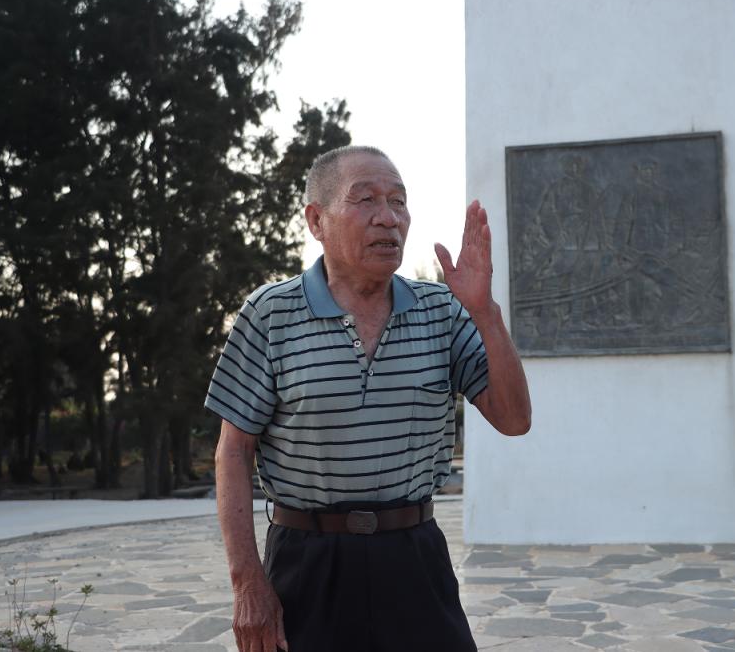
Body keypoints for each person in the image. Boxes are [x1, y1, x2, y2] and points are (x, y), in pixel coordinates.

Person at [204, 145, 531, 652]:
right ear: (317, 220)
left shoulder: (443, 310)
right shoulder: (269, 314)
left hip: (414, 559)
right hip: (307, 563)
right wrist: (247, 583)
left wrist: (485, 312)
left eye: (399, 201)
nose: (389, 218)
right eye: (366, 200)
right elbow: (233, 451)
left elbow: (513, 420)